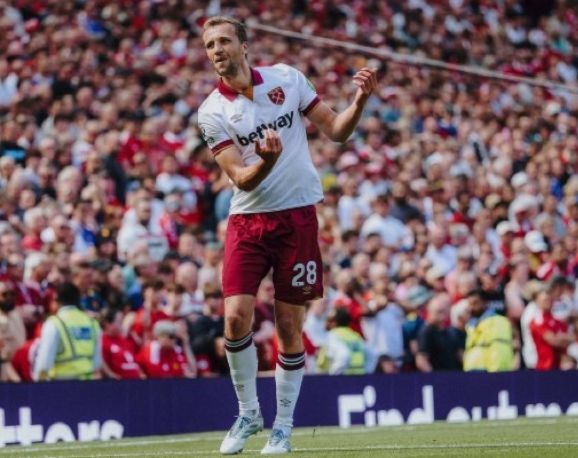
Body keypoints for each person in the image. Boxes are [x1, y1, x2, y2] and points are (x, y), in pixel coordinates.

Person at [198, 16, 377, 455]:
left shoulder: (287, 79)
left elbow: (336, 131)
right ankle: (248, 413)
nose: (217, 50)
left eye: (224, 41)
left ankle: (283, 427)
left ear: (244, 45)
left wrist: (359, 102)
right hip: (248, 222)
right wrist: (266, 161)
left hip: (297, 219)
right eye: (209, 45)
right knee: (235, 318)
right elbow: (240, 178)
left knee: (289, 327)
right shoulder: (212, 111)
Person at [33, 282, 102, 381]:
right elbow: (97, 362)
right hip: (88, 383)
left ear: (56, 298)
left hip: (62, 384)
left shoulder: (54, 323)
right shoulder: (92, 323)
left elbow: (44, 363)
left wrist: (38, 382)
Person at [463, 289, 514, 372]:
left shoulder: (497, 321)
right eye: (470, 304)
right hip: (471, 371)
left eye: (475, 303)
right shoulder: (470, 325)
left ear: (485, 303)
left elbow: (500, 349)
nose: (471, 307)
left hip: (488, 372)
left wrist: (497, 373)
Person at [316, 308, 376, 375]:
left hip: (340, 378)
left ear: (335, 322)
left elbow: (343, 355)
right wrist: (366, 374)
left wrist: (332, 377)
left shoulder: (332, 336)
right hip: (358, 378)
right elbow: (372, 354)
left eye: (329, 320)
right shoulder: (355, 336)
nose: (326, 322)